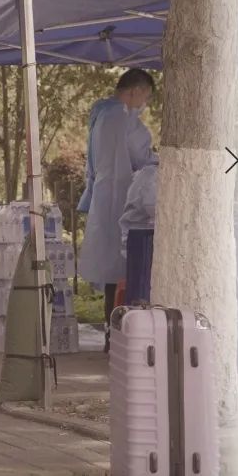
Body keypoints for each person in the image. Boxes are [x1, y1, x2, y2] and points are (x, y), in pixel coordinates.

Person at [77, 68, 155, 350]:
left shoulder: (101, 114)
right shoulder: (122, 118)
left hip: (104, 198)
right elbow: (142, 155)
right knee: (126, 269)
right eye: (145, 97)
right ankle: (124, 337)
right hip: (122, 200)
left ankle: (111, 336)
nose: (144, 104)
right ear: (135, 91)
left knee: (112, 275)